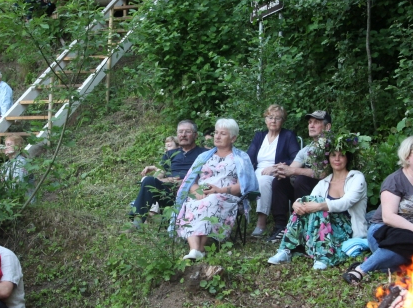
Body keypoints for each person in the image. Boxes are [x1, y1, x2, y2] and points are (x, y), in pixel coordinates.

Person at [345, 136, 413, 284]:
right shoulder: (395, 180)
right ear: (407, 156)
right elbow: (389, 217)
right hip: (387, 231)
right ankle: (361, 270)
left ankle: (388, 265)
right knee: (409, 239)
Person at [268, 133, 369, 270]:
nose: (337, 159)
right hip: (326, 227)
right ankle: (285, 250)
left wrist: (320, 206)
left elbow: (346, 202)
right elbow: (310, 199)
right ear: (328, 158)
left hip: (349, 229)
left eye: (341, 155)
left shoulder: (356, 177)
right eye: (333, 155)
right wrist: (296, 203)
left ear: (347, 157)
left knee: (318, 204)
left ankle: (323, 256)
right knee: (309, 200)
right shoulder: (325, 181)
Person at [170, 118, 259, 260]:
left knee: (212, 200)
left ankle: (199, 249)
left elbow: (244, 186)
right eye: (216, 133)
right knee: (191, 202)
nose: (217, 136)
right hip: (201, 193)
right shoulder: (204, 156)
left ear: (233, 138)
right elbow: (190, 181)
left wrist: (219, 190)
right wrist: (196, 191)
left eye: (223, 134)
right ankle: (194, 250)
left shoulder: (241, 158)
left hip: (225, 195)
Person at [267, 110, 333, 242]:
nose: (311, 125)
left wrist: (294, 172)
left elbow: (325, 173)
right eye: (310, 122)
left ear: (327, 127)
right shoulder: (306, 150)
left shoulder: (332, 146)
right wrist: (281, 170)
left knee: (301, 179)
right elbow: (292, 169)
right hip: (304, 191)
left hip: (326, 193)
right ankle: (281, 226)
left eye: (316, 122)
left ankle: (302, 226)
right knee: (279, 181)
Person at [128, 120, 207, 227]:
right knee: (148, 180)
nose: (183, 135)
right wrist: (162, 177)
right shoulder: (170, 154)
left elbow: (207, 176)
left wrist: (183, 182)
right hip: (169, 193)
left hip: (191, 193)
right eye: (180, 132)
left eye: (187, 131)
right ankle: (136, 224)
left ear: (195, 135)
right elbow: (160, 175)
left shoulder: (204, 153)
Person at [246, 104, 300, 237]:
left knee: (264, 181)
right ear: (265, 120)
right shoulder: (259, 136)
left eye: (278, 118)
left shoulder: (288, 135)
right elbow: (248, 158)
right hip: (256, 173)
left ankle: (261, 222)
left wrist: (275, 167)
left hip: (276, 174)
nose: (273, 121)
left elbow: (296, 158)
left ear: (283, 121)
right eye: (270, 117)